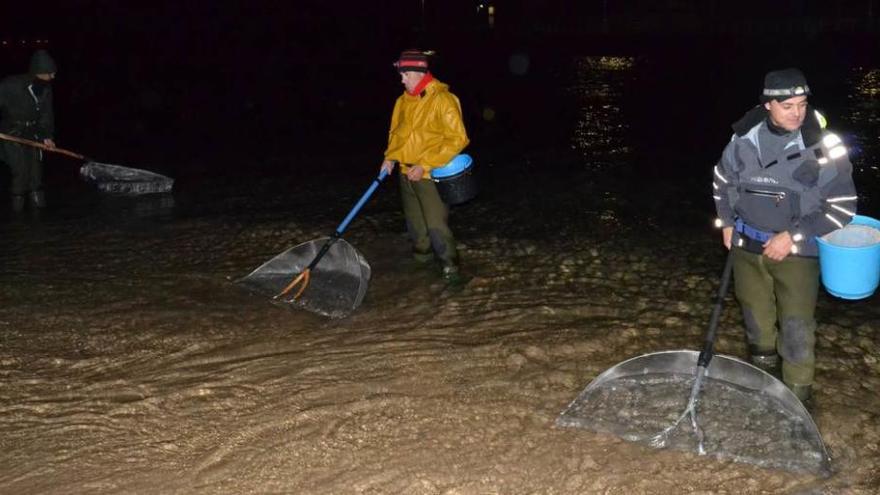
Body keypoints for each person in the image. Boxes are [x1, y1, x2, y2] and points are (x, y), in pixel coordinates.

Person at [712, 68, 857, 404]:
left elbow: (843, 207)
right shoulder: (742, 139)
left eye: (803, 104)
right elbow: (722, 182)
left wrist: (792, 236)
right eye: (788, 105)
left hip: (797, 253)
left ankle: (798, 403)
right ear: (768, 105)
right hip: (747, 248)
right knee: (757, 326)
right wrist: (727, 223)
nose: (797, 113)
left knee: (796, 332)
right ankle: (762, 392)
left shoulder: (824, 146)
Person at [380, 49, 470, 283]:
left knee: (436, 228)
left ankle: (452, 272)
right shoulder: (402, 101)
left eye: (405, 74)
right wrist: (389, 157)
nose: (401, 79)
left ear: (419, 72)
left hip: (430, 175)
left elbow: (457, 139)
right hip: (404, 172)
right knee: (416, 229)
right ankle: (421, 273)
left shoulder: (443, 99)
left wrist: (424, 164)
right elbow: (395, 134)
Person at [0, 49, 57, 213]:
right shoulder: (10, 85)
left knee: (36, 174)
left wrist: (47, 136)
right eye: (50, 73)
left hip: (34, 134)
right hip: (12, 134)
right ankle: (18, 219)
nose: (53, 77)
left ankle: (39, 215)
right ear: (38, 72)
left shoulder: (46, 89)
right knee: (21, 172)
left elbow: (47, 114)